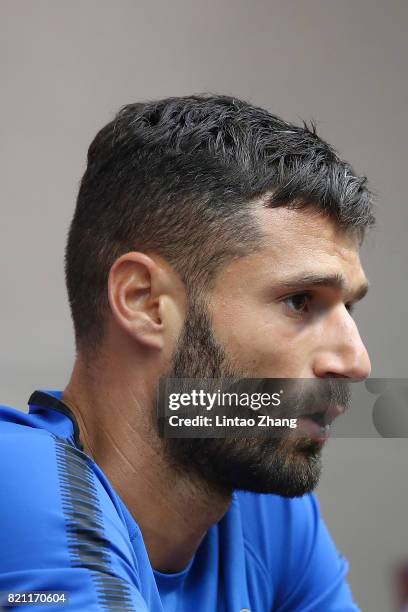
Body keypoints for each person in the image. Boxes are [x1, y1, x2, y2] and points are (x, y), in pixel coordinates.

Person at [0, 94, 374, 611]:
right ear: (145, 302)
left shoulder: (267, 511)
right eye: (299, 301)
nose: (356, 363)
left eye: (347, 309)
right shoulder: (18, 486)